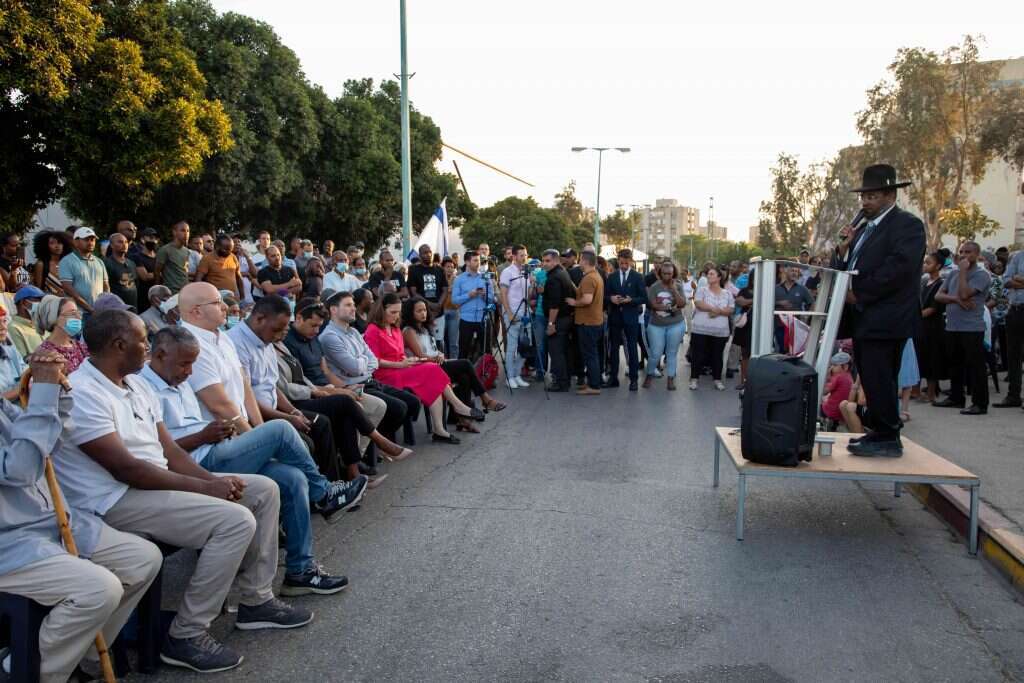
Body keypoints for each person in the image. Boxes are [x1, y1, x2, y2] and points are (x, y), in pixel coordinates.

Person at [53, 309, 311, 673]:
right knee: (234, 521)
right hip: (112, 500)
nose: (148, 347)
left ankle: (256, 600)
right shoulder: (84, 392)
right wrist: (207, 487)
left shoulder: (136, 383)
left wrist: (211, 482)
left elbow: (169, 452)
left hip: (151, 485)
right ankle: (187, 634)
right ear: (118, 344)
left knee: (263, 490)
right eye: (143, 340)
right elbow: (128, 470)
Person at [141, 326, 352, 594]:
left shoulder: (176, 380)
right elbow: (159, 451)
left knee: (292, 479)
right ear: (160, 355)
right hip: (195, 466)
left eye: (193, 364)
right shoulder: (144, 387)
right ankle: (323, 494)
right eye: (184, 364)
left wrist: (213, 432)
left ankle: (301, 570)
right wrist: (202, 436)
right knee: (281, 430)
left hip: (214, 450)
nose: (189, 372)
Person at [0, 347, 162, 683]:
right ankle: (26, 670)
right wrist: (44, 393)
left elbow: (48, 446)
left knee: (142, 558)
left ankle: (82, 654)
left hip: (46, 521)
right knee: (98, 589)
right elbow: (22, 469)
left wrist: (55, 393)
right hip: (9, 542)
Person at [235, 295, 406, 481]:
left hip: (304, 396)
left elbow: (276, 384)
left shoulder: (271, 341)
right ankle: (349, 470)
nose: (280, 335)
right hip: (287, 403)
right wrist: (300, 405)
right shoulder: (254, 342)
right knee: (338, 409)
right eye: (278, 329)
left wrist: (334, 388)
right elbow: (273, 389)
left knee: (350, 407)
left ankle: (352, 474)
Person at [830, 164, 926, 457]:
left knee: (882, 377)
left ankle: (887, 436)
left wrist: (858, 292)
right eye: (863, 196)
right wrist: (843, 251)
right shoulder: (865, 232)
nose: (865, 202)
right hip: (866, 318)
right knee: (872, 376)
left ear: (889, 194)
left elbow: (898, 269)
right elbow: (849, 270)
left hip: (888, 317)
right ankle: (880, 431)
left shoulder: (906, 225)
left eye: (872, 196)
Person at [364, 292, 484, 444]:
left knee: (432, 377)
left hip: (402, 369)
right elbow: (374, 361)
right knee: (432, 369)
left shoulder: (395, 329)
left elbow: (400, 355)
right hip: (386, 375)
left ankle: (439, 430)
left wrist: (408, 360)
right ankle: (458, 406)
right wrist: (400, 364)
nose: (396, 316)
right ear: (382, 310)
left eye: (398, 312)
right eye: (392, 312)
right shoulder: (373, 330)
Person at [318, 290, 418, 442]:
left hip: (371, 381)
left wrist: (362, 360)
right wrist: (365, 360)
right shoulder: (329, 336)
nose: (353, 308)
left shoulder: (353, 332)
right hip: (355, 386)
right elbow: (356, 368)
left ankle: (377, 442)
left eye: (353, 305)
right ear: (333, 309)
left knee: (412, 402)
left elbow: (373, 361)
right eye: (348, 305)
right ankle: (375, 444)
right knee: (399, 408)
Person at [402, 296, 506, 432]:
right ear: (410, 313)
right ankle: (485, 399)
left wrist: (439, 355)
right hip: (424, 369)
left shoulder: (425, 329)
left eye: (424, 310)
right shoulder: (409, 331)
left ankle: (460, 419)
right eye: (419, 311)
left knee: (464, 377)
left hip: (435, 364)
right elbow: (420, 356)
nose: (423, 313)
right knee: (466, 364)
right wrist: (436, 358)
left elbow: (434, 351)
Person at [933, 241, 991, 415]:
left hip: (971, 327)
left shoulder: (982, 275)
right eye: (962, 251)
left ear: (977, 254)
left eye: (969, 252)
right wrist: (956, 300)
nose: (964, 255)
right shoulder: (953, 274)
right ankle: (956, 398)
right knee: (954, 363)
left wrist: (964, 272)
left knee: (975, 366)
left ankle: (980, 403)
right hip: (952, 326)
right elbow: (938, 296)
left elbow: (965, 293)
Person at [604, 248, 647, 391]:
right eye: (621, 263)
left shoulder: (638, 277)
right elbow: (604, 296)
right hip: (615, 317)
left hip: (631, 317)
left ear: (631, 262)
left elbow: (644, 298)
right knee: (614, 348)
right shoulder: (612, 276)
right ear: (618, 261)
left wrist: (631, 300)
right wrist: (611, 298)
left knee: (632, 348)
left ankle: (634, 380)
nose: (623, 266)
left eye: (626, 263)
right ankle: (613, 378)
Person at [644, 260, 687, 390]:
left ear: (673, 273)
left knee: (671, 353)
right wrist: (668, 308)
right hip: (656, 324)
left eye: (669, 273)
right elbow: (651, 304)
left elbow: (682, 303)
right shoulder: (655, 287)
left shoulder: (678, 285)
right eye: (664, 273)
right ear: (660, 273)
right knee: (655, 353)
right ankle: (649, 375)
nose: (667, 276)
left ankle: (670, 378)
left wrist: (673, 290)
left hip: (675, 323)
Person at [689, 265, 734, 391]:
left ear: (719, 277)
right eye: (708, 274)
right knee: (698, 354)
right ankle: (694, 379)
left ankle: (717, 379)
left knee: (717, 355)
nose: (709, 276)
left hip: (720, 331)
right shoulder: (702, 290)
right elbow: (698, 303)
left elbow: (730, 309)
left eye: (712, 274)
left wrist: (719, 311)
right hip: (701, 329)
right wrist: (714, 309)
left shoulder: (727, 293)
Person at [566, 250, 604, 395]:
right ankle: (593, 382)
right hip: (594, 321)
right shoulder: (594, 276)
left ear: (586, 261)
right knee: (592, 353)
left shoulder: (589, 278)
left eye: (580, 260)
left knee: (590, 355)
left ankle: (594, 386)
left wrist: (573, 302)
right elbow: (585, 294)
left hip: (588, 323)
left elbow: (587, 300)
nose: (579, 262)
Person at [540, 249, 575, 392]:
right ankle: (564, 380)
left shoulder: (555, 277)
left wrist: (551, 324)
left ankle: (561, 383)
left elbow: (554, 305)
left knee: (556, 352)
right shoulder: (562, 272)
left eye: (548, 261)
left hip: (559, 320)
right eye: (543, 261)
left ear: (556, 260)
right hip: (566, 318)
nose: (544, 264)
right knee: (562, 351)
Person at [451, 251, 494, 361]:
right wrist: (469, 295)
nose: (478, 263)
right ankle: (462, 376)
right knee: (464, 350)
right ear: (467, 262)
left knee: (486, 350)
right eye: (475, 260)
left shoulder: (485, 277)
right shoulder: (459, 279)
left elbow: (492, 300)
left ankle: (487, 375)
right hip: (466, 319)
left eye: (479, 260)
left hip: (483, 319)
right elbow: (454, 300)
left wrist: (485, 296)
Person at [916, 252, 947, 403]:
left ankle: (931, 393)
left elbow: (933, 308)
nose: (925, 265)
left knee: (932, 359)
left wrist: (916, 316)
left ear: (938, 266)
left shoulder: (941, 284)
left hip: (933, 327)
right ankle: (915, 390)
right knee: (919, 358)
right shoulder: (924, 282)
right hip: (920, 326)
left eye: (928, 263)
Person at [498, 245, 531, 388]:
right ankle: (509, 377)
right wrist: (509, 313)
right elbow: (503, 294)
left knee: (526, 345)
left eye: (525, 255)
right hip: (512, 312)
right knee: (512, 347)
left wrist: (533, 284)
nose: (524, 257)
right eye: (521, 255)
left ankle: (517, 374)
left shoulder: (526, 271)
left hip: (526, 312)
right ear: (514, 256)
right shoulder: (507, 272)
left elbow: (528, 295)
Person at [58, 227, 108, 317]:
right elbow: (68, 289)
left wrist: (104, 305)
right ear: (75, 242)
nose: (90, 242)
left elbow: (106, 286)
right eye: (86, 240)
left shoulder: (99, 262)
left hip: (99, 313)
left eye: (92, 240)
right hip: (77, 313)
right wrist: (90, 309)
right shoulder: (66, 261)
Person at [33, 295, 88, 373]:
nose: (78, 317)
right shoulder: (46, 354)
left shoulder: (80, 347)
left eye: (78, 313)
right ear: (54, 318)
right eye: (72, 313)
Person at [407, 244, 448, 347]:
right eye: (425, 253)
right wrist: (429, 304)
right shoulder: (413, 270)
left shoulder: (439, 270)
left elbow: (445, 289)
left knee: (439, 342)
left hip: (438, 312)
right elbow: (413, 292)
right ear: (420, 255)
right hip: (422, 312)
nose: (428, 255)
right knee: (424, 341)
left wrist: (439, 304)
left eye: (430, 252)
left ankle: (440, 361)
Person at [774, 265, 813, 352]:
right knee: (782, 350)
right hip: (779, 325)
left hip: (796, 326)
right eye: (792, 271)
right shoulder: (776, 288)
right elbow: (768, 303)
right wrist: (779, 303)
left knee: (794, 351)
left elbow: (812, 303)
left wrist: (807, 316)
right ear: (786, 272)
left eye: (796, 271)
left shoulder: (802, 289)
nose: (794, 273)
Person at [103, 232, 139, 309]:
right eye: (120, 242)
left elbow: (136, 283)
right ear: (112, 245)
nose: (124, 244)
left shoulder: (132, 263)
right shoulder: (107, 264)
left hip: (133, 307)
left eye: (126, 242)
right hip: (116, 308)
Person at [31, 230, 73, 296]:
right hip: (49, 302)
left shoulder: (69, 263)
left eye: (59, 242)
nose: (57, 246)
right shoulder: (41, 264)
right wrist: (54, 294)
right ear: (45, 246)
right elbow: (38, 291)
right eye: (52, 243)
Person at [8, 285, 45, 358]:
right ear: (23, 303)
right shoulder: (13, 328)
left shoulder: (43, 324)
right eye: (38, 299)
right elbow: (22, 362)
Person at [155, 221, 192, 294]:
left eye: (188, 231)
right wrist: (158, 291)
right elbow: (157, 272)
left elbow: (184, 271)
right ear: (174, 232)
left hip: (185, 291)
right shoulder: (165, 250)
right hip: (171, 292)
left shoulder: (187, 251)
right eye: (183, 230)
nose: (186, 234)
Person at [130, 228, 158, 313]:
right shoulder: (137, 257)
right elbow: (144, 277)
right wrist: (161, 273)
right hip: (143, 296)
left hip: (158, 296)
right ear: (142, 239)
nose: (153, 240)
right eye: (150, 237)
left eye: (155, 238)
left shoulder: (158, 256)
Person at [821, 351, 854, 425]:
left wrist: (826, 376)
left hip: (831, 412)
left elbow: (822, 391)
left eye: (835, 365)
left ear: (845, 367)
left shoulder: (839, 377)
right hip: (840, 413)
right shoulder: (849, 377)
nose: (832, 367)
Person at [441, 257, 460, 359]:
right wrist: (449, 286)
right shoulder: (440, 278)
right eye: (447, 267)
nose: (450, 269)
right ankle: (444, 364)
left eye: (452, 267)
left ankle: (454, 363)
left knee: (454, 342)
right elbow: (445, 292)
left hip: (455, 311)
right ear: (443, 267)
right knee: (442, 341)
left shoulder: (458, 280)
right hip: (442, 311)